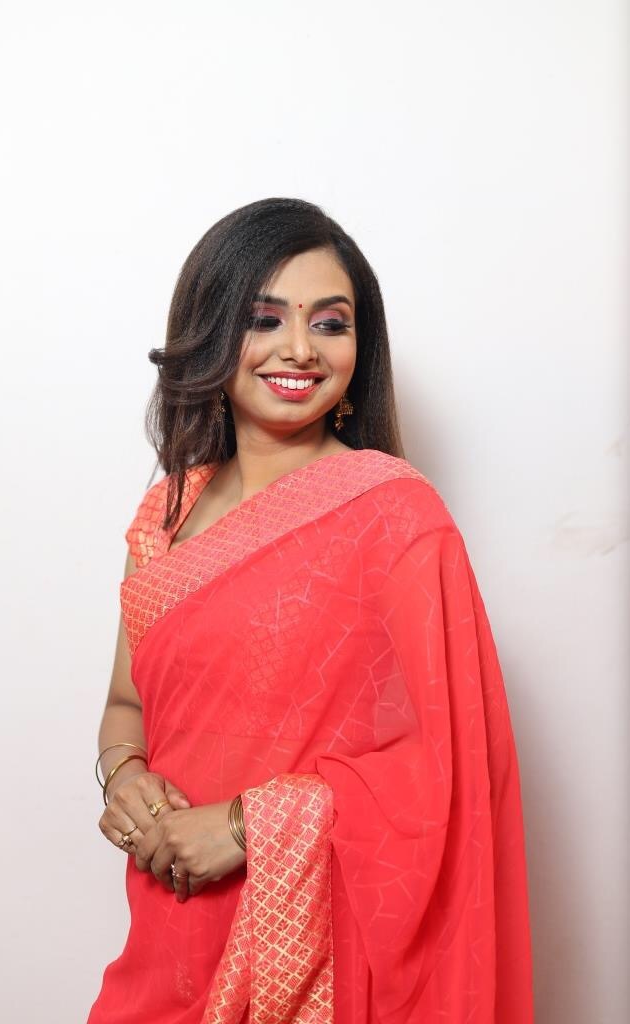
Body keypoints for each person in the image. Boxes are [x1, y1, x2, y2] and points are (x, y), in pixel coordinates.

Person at [87, 197, 534, 1023]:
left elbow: (452, 766)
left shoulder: (395, 514)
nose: (300, 348)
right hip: (169, 924)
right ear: (210, 332)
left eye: (330, 323)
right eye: (265, 319)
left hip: (316, 951)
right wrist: (125, 775)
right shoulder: (164, 516)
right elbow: (126, 705)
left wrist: (247, 828)